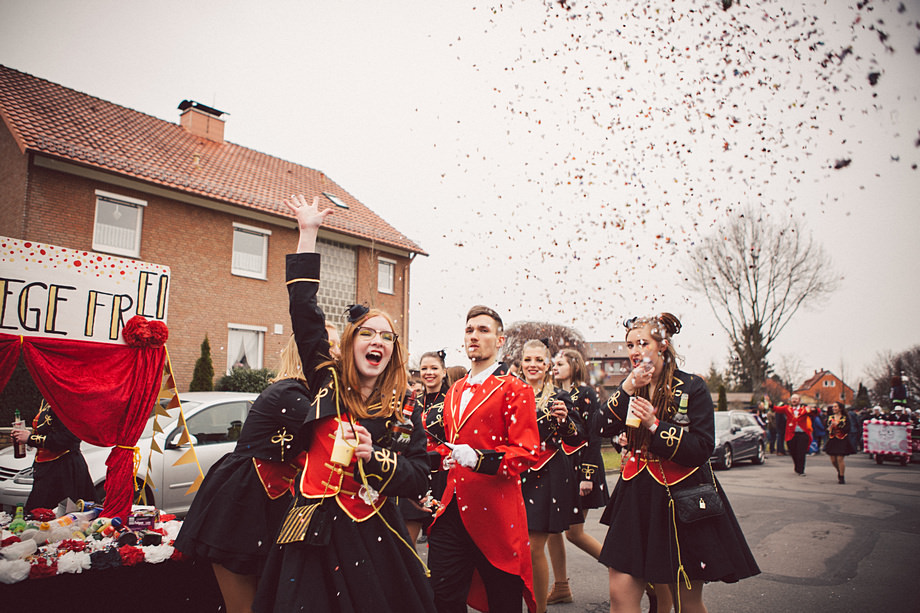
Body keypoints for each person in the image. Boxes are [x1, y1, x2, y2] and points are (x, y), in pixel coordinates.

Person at [253, 195, 434, 613]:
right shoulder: (326, 380)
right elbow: (304, 311)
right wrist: (308, 233)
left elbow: (419, 476)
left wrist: (376, 457)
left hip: (373, 532)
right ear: (351, 343)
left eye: (386, 337)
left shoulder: (404, 407)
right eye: (367, 334)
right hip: (311, 528)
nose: (377, 341)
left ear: (393, 350)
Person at [596, 313, 759, 613]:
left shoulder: (692, 386)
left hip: (680, 498)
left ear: (662, 345)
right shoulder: (631, 386)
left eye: (643, 343)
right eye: (630, 345)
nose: (635, 351)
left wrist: (655, 425)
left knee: (687, 602)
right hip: (635, 496)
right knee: (620, 593)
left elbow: (701, 448)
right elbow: (599, 426)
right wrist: (627, 388)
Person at [174, 334, 313, 613]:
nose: (336, 354)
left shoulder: (306, 394)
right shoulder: (289, 393)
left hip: (271, 504)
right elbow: (329, 436)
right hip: (242, 504)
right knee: (245, 607)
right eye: (326, 345)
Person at [427, 305, 541, 613]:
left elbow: (527, 452)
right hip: (451, 510)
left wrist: (480, 459)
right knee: (442, 597)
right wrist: (441, 459)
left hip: (496, 516)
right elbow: (448, 445)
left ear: (500, 340)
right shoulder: (454, 390)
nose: (474, 336)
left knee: (503, 600)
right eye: (469, 330)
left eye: (483, 330)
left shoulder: (516, 388)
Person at [518, 340, 585, 613]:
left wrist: (565, 421)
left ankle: (539, 609)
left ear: (548, 366)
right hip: (515, 473)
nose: (533, 365)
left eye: (539, 360)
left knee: (534, 547)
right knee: (517, 546)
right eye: (528, 360)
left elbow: (577, 437)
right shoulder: (511, 393)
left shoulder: (559, 397)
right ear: (521, 363)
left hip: (547, 474)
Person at [546, 348, 609, 606]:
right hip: (559, 467)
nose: (555, 367)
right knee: (551, 528)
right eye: (554, 363)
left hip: (581, 466)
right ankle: (561, 586)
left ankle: (625, 571)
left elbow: (594, 435)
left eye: (560, 363)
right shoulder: (551, 394)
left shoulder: (586, 393)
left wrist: (588, 475)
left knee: (574, 533)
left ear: (574, 365)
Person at [11, 401, 94, 514]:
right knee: (38, 514)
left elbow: (68, 438)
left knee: (62, 516)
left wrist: (31, 439)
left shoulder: (68, 402)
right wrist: (25, 438)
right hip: (46, 468)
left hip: (64, 471)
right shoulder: (47, 400)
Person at [774, 394, 817, 476]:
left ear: (799, 401)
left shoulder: (804, 409)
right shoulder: (787, 408)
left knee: (801, 452)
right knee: (793, 452)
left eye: (796, 399)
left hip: (803, 434)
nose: (794, 400)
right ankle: (797, 466)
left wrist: (814, 409)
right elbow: (776, 409)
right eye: (793, 399)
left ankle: (801, 470)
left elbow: (815, 413)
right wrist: (769, 404)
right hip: (791, 434)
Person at [825, 402, 855, 484]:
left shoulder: (845, 418)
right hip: (832, 439)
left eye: (836, 407)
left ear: (840, 408)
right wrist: (829, 427)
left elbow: (848, 429)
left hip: (842, 439)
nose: (834, 408)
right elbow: (826, 428)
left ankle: (841, 476)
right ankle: (839, 471)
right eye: (833, 407)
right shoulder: (830, 417)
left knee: (840, 458)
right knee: (833, 460)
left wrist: (838, 425)